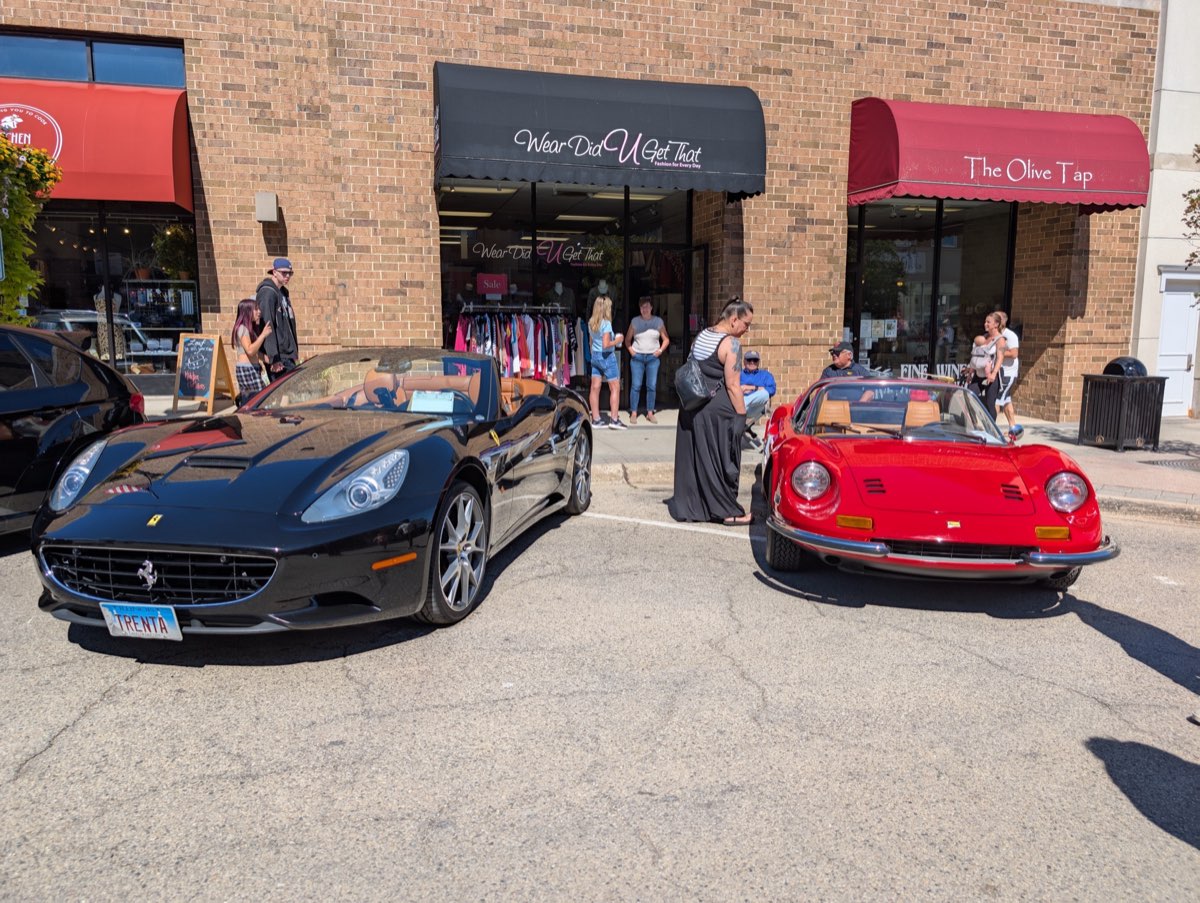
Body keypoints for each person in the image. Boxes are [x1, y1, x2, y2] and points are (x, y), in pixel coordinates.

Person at [669, 296, 755, 526]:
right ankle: (727, 512)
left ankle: (699, 507)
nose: (747, 329)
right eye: (747, 324)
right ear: (734, 320)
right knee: (721, 460)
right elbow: (733, 385)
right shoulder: (732, 344)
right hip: (715, 413)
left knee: (699, 460)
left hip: (692, 407)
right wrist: (741, 415)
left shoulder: (702, 335)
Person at [624, 298, 670, 424]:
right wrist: (632, 352)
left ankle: (650, 412)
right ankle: (634, 412)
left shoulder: (658, 321)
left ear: (651, 308)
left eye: (647, 307)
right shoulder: (635, 321)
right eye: (642, 307)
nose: (645, 309)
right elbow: (627, 340)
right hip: (637, 357)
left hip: (652, 358)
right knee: (636, 385)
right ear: (640, 309)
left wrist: (660, 351)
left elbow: (666, 339)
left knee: (651, 386)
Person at [256, 257, 298, 382]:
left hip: (287, 354)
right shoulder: (267, 293)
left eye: (290, 273)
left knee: (290, 395)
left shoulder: (283, 293)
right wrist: (274, 358)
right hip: (278, 356)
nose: (287, 276)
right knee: (284, 394)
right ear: (274, 272)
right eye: (284, 273)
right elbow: (267, 324)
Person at [588, 294, 626, 429]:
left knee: (595, 387)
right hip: (607, 356)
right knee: (615, 387)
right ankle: (614, 420)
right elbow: (606, 344)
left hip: (595, 356)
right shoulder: (606, 324)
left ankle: (596, 418)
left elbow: (591, 342)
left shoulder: (591, 322)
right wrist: (618, 340)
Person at [231, 297, 272, 405]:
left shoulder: (248, 329)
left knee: (253, 402)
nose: (259, 311)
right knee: (258, 401)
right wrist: (263, 335)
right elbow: (250, 350)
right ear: (247, 311)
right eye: (256, 309)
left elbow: (256, 352)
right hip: (247, 370)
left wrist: (269, 360)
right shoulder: (242, 329)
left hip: (251, 369)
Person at [964, 313, 1003, 417]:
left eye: (988, 322)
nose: (985, 324)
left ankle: (992, 430)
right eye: (985, 322)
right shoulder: (983, 337)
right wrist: (970, 372)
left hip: (991, 376)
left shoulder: (1000, 340)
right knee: (969, 397)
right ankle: (973, 425)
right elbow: (976, 356)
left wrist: (993, 374)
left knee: (990, 404)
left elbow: (1000, 358)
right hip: (978, 375)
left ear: (996, 324)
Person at [994, 310, 1023, 439]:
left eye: (996, 318)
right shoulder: (996, 335)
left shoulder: (1010, 335)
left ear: (1003, 321)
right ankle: (1014, 428)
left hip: (1007, 372)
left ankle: (991, 428)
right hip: (1001, 371)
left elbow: (1014, 354)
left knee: (996, 400)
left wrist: (997, 354)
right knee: (1006, 400)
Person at [740, 350, 776, 448]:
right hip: (742, 407)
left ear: (758, 362)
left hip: (756, 408)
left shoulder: (765, 375)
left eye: (755, 360)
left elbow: (772, 390)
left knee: (764, 394)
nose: (752, 362)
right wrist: (756, 389)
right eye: (749, 360)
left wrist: (748, 388)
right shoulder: (738, 375)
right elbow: (732, 389)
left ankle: (742, 406)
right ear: (744, 361)